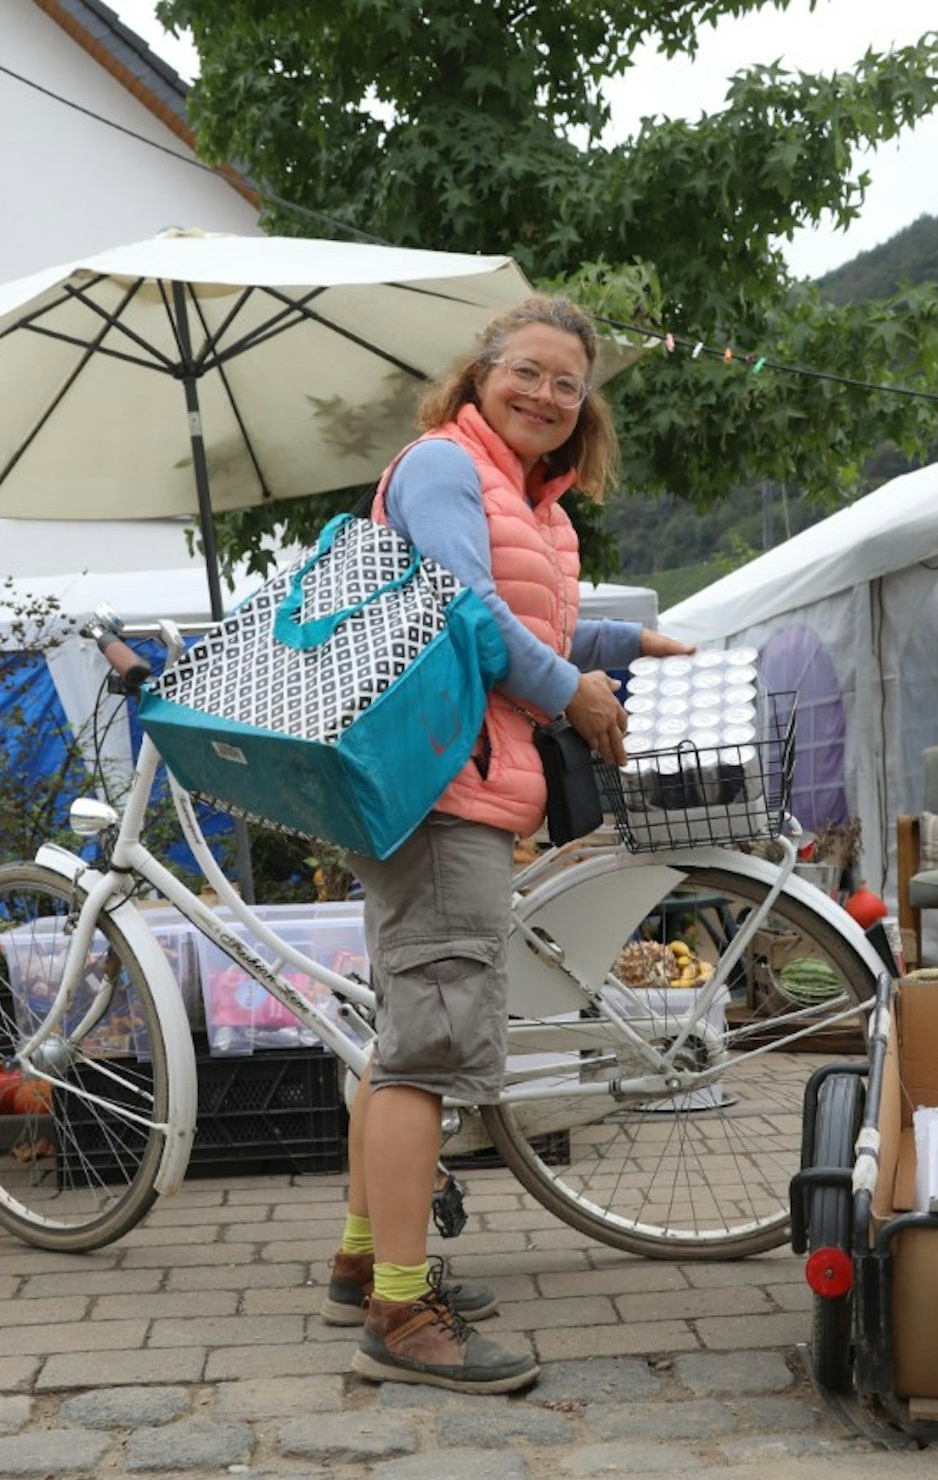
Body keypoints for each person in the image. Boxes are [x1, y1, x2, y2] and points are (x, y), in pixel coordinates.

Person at [322, 296, 692, 1393]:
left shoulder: (536, 502)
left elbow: (521, 622)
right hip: (441, 785)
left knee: (407, 1032)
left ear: (585, 409)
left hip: (469, 781)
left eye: (566, 384)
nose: (543, 394)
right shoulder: (444, 466)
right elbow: (459, 610)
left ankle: (360, 1260)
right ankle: (397, 1315)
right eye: (524, 372)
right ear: (481, 373)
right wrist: (572, 691)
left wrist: (621, 643)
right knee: (426, 1051)